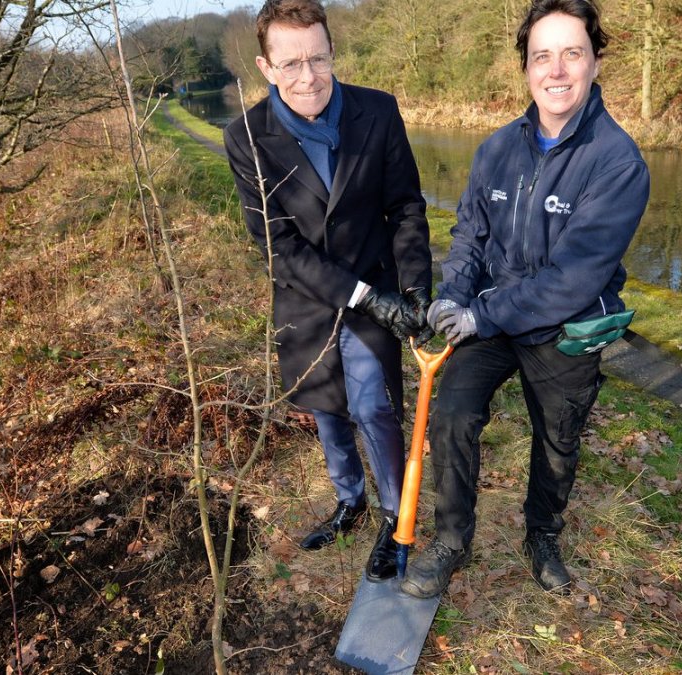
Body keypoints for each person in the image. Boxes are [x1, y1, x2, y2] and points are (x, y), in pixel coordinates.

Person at [400, 0, 650, 598]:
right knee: (453, 415)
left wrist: (478, 311)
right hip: (489, 317)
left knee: (558, 439)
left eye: (572, 53)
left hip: (563, 327)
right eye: (543, 55)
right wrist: (454, 295)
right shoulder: (495, 150)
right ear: (526, 67)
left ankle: (543, 534)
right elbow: (469, 235)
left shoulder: (617, 162)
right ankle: (452, 540)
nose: (556, 70)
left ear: (594, 62)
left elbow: (572, 278)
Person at [223, 0, 433, 582]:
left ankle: (397, 517)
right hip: (306, 296)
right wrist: (363, 295)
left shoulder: (378, 111)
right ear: (266, 66)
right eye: (290, 64)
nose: (308, 76)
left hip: (379, 286)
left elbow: (406, 206)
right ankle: (349, 501)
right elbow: (277, 245)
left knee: (372, 406)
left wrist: (414, 287)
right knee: (324, 408)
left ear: (333, 52)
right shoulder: (246, 137)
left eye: (317, 58)